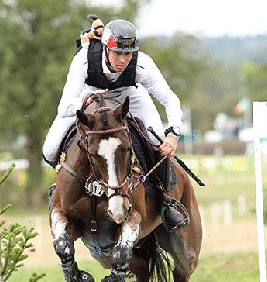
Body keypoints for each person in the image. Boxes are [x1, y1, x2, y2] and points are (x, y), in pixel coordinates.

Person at [42, 18, 187, 231]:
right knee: (49, 149)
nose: (123, 59)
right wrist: (85, 100)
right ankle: (61, 192)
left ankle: (164, 201)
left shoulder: (142, 64)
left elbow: (170, 98)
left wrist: (173, 132)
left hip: (129, 95)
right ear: (105, 48)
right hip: (90, 96)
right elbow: (63, 108)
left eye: (127, 54)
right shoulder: (84, 60)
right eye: (117, 53)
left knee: (157, 141)